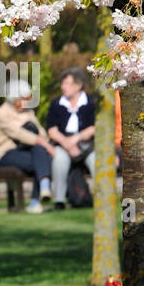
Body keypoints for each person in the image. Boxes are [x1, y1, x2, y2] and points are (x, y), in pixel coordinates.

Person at [0, 80, 56, 213]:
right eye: (23, 100)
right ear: (14, 99)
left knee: (39, 152)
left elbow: (41, 132)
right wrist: (44, 143)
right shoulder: (1, 113)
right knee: (41, 156)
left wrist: (43, 141)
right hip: (7, 153)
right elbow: (18, 133)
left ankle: (39, 195)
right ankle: (39, 194)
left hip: (28, 150)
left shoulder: (28, 112)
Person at [45, 68, 96, 210]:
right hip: (62, 143)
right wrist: (66, 143)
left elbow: (94, 127)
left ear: (78, 85)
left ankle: (102, 197)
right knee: (59, 159)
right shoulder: (56, 104)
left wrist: (76, 139)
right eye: (62, 83)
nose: (63, 87)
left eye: (67, 83)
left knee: (96, 160)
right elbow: (52, 129)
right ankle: (59, 201)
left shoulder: (91, 102)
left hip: (86, 144)